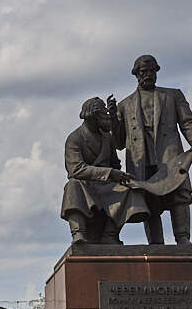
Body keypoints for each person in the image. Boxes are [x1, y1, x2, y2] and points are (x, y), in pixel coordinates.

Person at [112, 55, 192, 245]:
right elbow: (119, 142)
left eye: (152, 71)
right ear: (136, 75)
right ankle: (156, 244)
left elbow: (188, 121)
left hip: (169, 155)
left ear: (156, 72)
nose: (148, 75)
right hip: (141, 158)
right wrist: (113, 118)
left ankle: (183, 238)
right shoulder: (124, 105)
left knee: (180, 195)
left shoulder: (173, 96)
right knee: (149, 201)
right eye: (144, 72)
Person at [61, 97, 149, 244]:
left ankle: (110, 235)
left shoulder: (107, 138)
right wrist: (108, 173)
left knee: (131, 189)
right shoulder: (75, 138)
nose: (107, 117)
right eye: (104, 113)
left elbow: (115, 164)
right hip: (86, 187)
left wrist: (118, 175)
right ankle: (78, 233)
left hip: (106, 186)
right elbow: (75, 169)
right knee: (72, 186)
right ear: (94, 115)